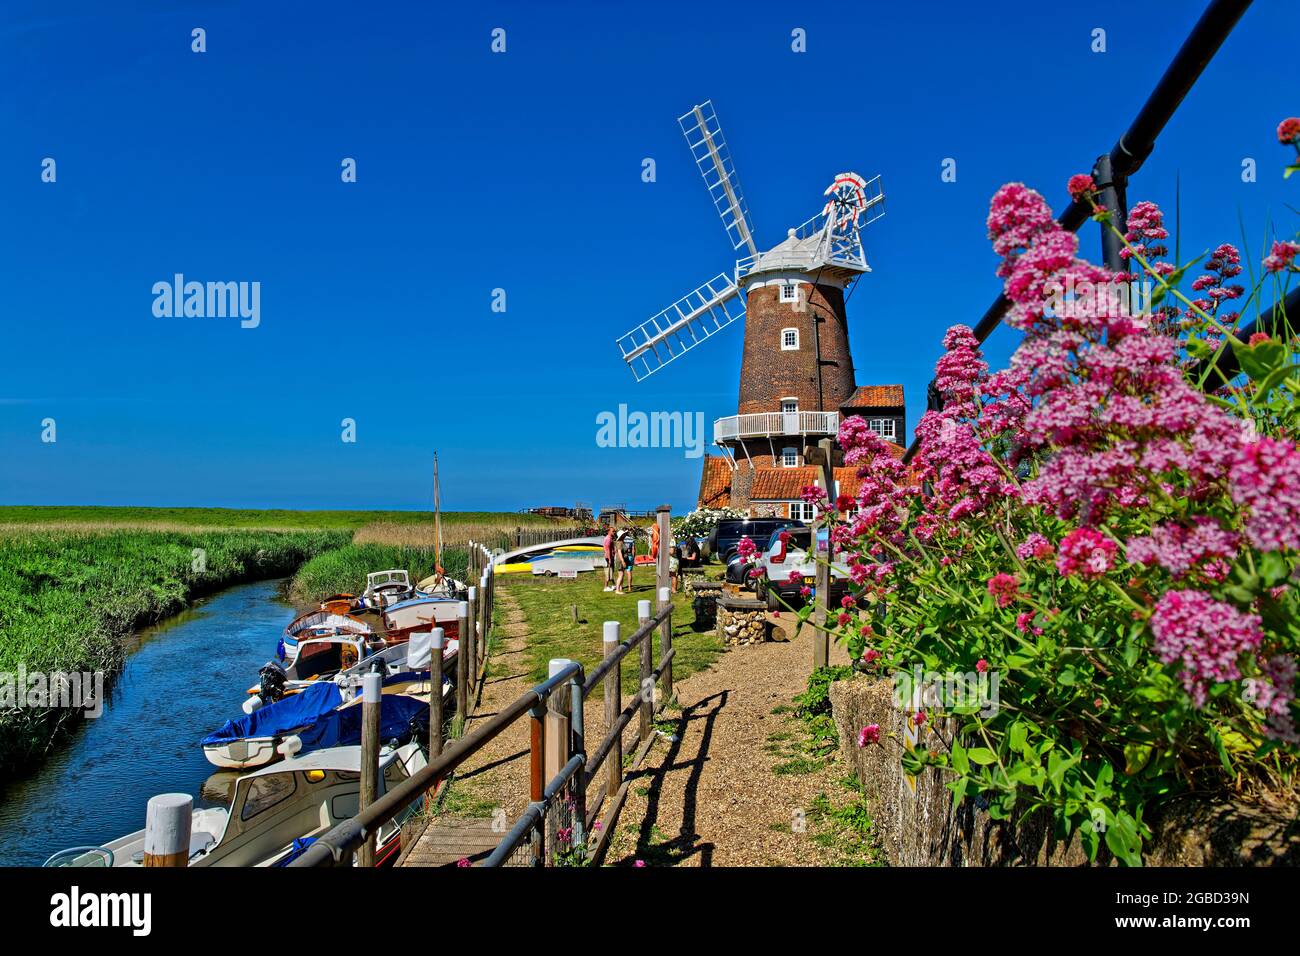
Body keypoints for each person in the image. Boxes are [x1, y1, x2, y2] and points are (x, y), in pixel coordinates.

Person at [602, 525, 615, 592]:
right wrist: (610, 559)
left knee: (611, 571)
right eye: (613, 531)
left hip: (610, 557)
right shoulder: (608, 539)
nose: (614, 532)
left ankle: (614, 585)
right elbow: (607, 550)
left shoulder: (610, 538)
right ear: (609, 532)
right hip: (608, 557)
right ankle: (606, 587)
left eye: (614, 531)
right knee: (608, 572)